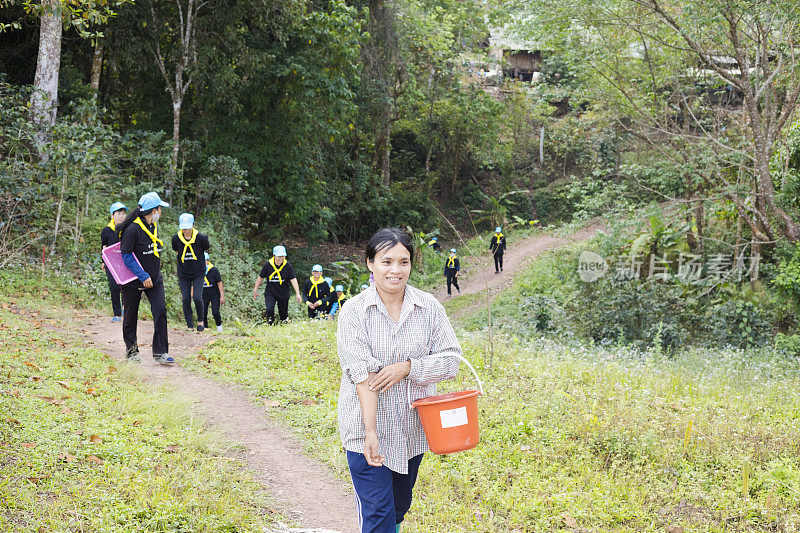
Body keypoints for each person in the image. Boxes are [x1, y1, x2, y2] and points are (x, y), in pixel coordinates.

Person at [337, 228, 461, 532]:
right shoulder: (354, 312)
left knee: (397, 510)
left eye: (403, 262)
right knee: (378, 513)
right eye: (386, 261)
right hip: (365, 431)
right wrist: (371, 431)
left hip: (412, 430)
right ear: (370, 263)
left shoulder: (428, 307)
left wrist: (408, 368)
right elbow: (363, 376)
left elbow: (452, 360)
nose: (395, 270)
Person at [118, 192, 173, 365]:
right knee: (130, 316)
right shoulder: (132, 230)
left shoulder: (152, 226)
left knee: (160, 312)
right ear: (153, 210)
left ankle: (161, 353)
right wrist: (143, 276)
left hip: (155, 280)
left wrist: (152, 275)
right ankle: (132, 352)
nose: (160, 213)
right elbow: (126, 256)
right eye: (159, 209)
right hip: (133, 282)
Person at [171, 213, 210, 332]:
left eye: (188, 228)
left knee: (198, 297)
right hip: (184, 272)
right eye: (184, 228)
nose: (186, 231)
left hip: (198, 271)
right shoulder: (176, 238)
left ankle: (200, 322)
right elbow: (176, 250)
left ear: (193, 225)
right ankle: (189, 325)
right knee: (186, 298)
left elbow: (205, 248)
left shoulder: (201, 238)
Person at [252, 245, 302, 324]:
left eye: (283, 256)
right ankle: (270, 324)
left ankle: (284, 326)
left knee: (283, 313)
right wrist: (255, 290)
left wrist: (298, 294)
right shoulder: (268, 264)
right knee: (269, 309)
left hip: (283, 292)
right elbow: (260, 277)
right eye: (279, 256)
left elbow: (293, 279)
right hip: (270, 292)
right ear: (274, 256)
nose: (281, 258)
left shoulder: (288, 266)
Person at [101, 201, 128, 322]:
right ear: (112, 215)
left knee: (126, 287)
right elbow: (104, 246)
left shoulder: (128, 228)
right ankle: (117, 313)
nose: (122, 215)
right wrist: (103, 261)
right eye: (119, 213)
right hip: (111, 263)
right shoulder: (107, 230)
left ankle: (125, 309)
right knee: (114, 287)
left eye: (123, 213)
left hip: (126, 262)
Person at [202, 252, 225, 333]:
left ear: (208, 261)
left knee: (215, 312)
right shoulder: (199, 270)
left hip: (214, 294)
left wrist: (222, 296)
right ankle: (205, 328)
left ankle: (219, 328)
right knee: (203, 312)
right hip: (204, 294)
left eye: (204, 260)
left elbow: (219, 283)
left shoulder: (214, 270)